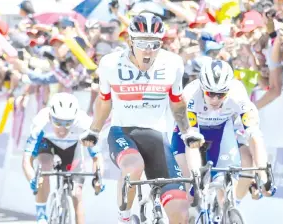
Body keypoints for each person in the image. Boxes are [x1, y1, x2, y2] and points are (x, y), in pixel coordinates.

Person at [81, 12, 204, 224]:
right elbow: (104, 101)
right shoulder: (110, 63)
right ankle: (125, 218)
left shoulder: (173, 63)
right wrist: (94, 130)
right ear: (130, 41)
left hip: (157, 138)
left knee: (180, 214)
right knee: (134, 166)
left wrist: (188, 132)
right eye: (142, 42)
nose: (148, 49)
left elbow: (177, 103)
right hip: (123, 133)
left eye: (155, 43)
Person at [171, 58, 276, 211]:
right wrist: (195, 177)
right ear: (202, 88)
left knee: (226, 190)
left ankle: (226, 214)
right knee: (192, 193)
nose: (215, 99)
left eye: (221, 95)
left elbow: (254, 135)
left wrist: (263, 173)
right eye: (210, 93)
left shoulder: (238, 93)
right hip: (190, 135)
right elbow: (191, 140)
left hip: (219, 132)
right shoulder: (190, 95)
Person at [22, 92, 104, 224]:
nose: (62, 129)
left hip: (72, 149)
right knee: (44, 168)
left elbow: (96, 157)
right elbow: (27, 159)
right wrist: (32, 178)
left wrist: (98, 179)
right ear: (50, 117)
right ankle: (42, 214)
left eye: (68, 123)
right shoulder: (41, 122)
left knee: (77, 194)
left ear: (75, 119)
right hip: (47, 144)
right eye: (57, 122)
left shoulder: (84, 125)